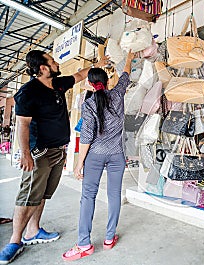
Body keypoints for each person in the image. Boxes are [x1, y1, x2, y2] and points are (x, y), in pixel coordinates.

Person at [0, 50, 109, 265]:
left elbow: (79, 75)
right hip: (39, 152)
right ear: (42, 68)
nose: (56, 63)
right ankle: (14, 241)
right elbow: (23, 124)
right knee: (29, 194)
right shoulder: (28, 92)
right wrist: (26, 154)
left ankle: (33, 231)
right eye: (52, 61)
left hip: (58, 150)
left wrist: (99, 63)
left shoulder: (58, 84)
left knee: (44, 194)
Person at [62, 50, 135, 261]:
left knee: (88, 197)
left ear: (91, 84)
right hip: (117, 155)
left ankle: (84, 244)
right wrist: (128, 59)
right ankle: (109, 238)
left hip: (95, 155)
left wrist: (79, 164)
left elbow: (86, 137)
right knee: (114, 195)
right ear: (107, 81)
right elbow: (126, 76)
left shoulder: (89, 105)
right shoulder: (118, 94)